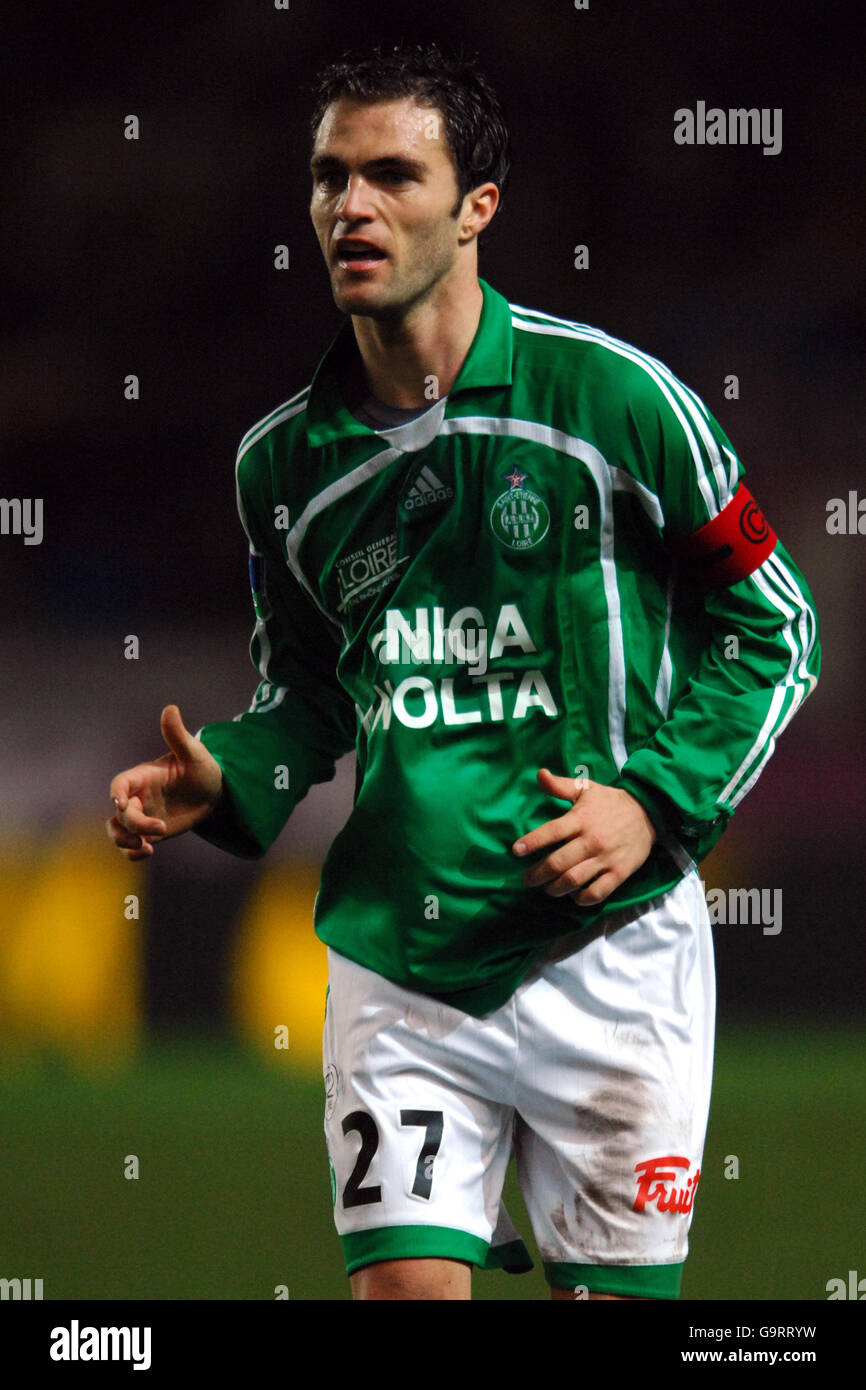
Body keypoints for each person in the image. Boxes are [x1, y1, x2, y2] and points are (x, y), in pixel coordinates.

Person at [106, 42, 820, 1301]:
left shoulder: (618, 402)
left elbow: (775, 626)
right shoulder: (279, 467)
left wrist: (653, 800)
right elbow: (312, 696)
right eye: (329, 177)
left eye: (391, 174)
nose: (350, 207)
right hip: (404, 959)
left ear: (476, 206)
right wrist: (230, 776)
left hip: (610, 953)